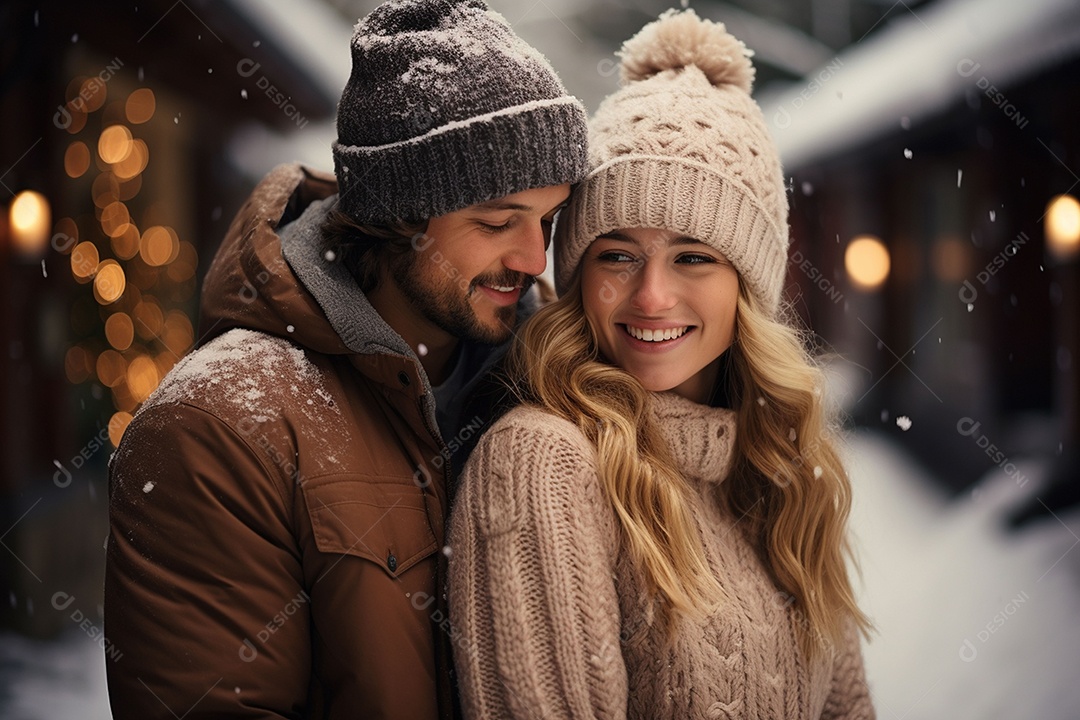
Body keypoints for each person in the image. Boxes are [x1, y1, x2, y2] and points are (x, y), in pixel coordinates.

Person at [103, 0, 588, 717]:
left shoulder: (559, 381)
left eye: (547, 220)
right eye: (496, 222)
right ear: (397, 216)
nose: (532, 259)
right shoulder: (220, 426)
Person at [448, 9, 875, 719]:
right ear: (579, 273)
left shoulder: (784, 475)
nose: (651, 296)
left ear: (747, 287)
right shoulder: (542, 463)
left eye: (693, 258)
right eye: (618, 254)